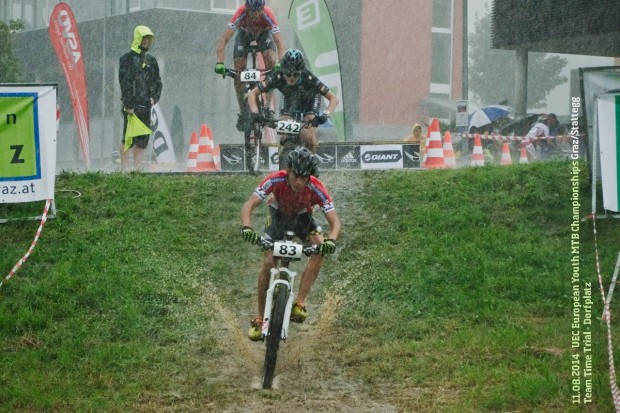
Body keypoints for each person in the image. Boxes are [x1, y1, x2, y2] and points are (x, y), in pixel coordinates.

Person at [240, 146, 342, 341]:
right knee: (268, 264)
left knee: (320, 247)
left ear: (310, 176)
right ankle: (260, 318)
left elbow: (335, 223)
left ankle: (299, 303)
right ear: (288, 170)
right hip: (277, 218)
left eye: (304, 178)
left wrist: (331, 240)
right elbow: (249, 204)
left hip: (303, 220)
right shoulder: (275, 179)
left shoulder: (317, 187)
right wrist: (247, 227)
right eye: (296, 175)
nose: (299, 182)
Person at [247, 48, 339, 154]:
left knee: (307, 135)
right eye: (287, 74)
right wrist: (255, 113)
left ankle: (311, 161)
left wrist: (325, 115)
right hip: (290, 99)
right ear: (283, 70)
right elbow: (252, 94)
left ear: (301, 72)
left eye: (295, 74)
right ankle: (283, 158)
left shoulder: (308, 77)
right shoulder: (277, 76)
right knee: (283, 136)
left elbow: (334, 99)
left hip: (310, 100)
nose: (291, 78)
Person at [214, 0, 285, 132]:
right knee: (238, 70)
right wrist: (220, 62)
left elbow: (279, 41)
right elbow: (224, 39)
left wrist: (281, 63)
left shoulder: (268, 14)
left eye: (258, 11)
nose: (255, 15)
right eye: (252, 11)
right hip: (244, 34)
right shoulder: (240, 13)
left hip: (263, 34)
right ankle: (242, 111)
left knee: (271, 60)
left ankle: (268, 108)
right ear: (247, 8)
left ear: (263, 9)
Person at [119, 25, 162, 171]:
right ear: (138, 38)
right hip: (131, 107)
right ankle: (125, 170)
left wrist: (154, 97)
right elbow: (125, 82)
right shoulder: (126, 59)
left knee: (142, 141)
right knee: (128, 139)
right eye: (144, 38)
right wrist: (128, 104)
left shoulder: (151, 60)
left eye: (148, 38)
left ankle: (137, 170)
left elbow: (157, 81)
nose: (146, 41)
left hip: (145, 106)